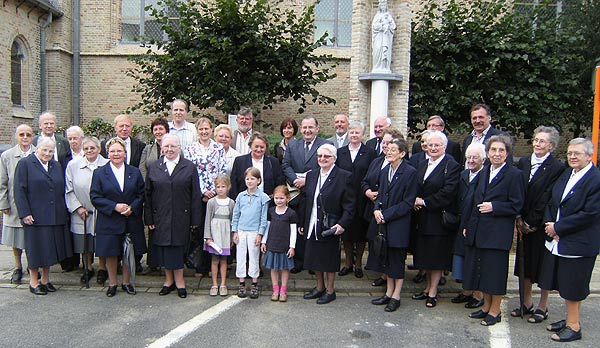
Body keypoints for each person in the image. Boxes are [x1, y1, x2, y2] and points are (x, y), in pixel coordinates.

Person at [539, 138, 600, 342]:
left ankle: (574, 326)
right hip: (559, 239)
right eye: (570, 153)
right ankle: (569, 320)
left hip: (579, 243)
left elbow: (590, 213)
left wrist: (559, 227)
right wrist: (549, 223)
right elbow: (552, 200)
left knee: (573, 286)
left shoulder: (595, 179)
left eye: (577, 153)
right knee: (564, 283)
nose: (572, 157)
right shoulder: (567, 173)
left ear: (589, 155)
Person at [463, 135, 524, 326]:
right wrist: (468, 226)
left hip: (498, 233)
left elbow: (517, 205)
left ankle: (495, 310)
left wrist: (495, 207)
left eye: (501, 150)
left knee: (495, 274)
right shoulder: (484, 171)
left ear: (507, 154)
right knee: (482, 271)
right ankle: (485, 307)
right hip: (479, 230)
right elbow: (474, 201)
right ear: (488, 153)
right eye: (493, 150)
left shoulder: (514, 174)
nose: (497, 154)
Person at [511, 126, 564, 322]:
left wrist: (531, 222)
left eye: (542, 141)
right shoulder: (524, 162)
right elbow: (516, 190)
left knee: (542, 267)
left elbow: (547, 197)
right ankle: (526, 303)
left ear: (551, 146)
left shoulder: (557, 167)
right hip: (521, 221)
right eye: (535, 139)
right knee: (524, 264)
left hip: (541, 225)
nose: (537, 144)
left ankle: (542, 306)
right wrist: (518, 218)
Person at [145, 134, 202, 299]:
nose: (170, 149)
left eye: (173, 146)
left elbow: (195, 196)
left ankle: (180, 281)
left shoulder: (189, 167)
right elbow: (147, 195)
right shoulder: (154, 167)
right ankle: (168, 281)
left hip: (181, 217)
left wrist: (195, 221)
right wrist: (149, 219)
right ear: (161, 148)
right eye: (166, 146)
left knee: (177, 249)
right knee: (164, 248)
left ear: (179, 148)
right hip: (160, 217)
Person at [14, 138, 72, 295]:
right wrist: (25, 213)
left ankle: (46, 280)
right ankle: (34, 283)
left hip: (54, 216)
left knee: (50, 250)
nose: (47, 153)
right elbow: (19, 191)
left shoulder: (56, 165)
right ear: (37, 148)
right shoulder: (25, 164)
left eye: (51, 151)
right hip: (35, 216)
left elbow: (60, 189)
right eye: (44, 150)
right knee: (36, 250)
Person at [91, 137, 147, 297]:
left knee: (127, 253)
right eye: (113, 151)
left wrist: (132, 207)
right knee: (111, 253)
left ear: (125, 153)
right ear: (107, 153)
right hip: (109, 220)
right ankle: (113, 283)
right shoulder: (100, 173)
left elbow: (141, 194)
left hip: (130, 219)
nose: (116, 154)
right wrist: (114, 206)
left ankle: (127, 282)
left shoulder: (134, 172)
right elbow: (95, 196)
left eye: (119, 151)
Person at [411, 130, 461, 308]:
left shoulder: (451, 165)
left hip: (438, 219)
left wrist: (424, 202)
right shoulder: (423, 164)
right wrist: (414, 200)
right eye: (430, 145)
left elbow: (448, 192)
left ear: (444, 147)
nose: (433, 148)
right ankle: (426, 288)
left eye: (437, 145)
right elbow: (416, 185)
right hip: (422, 218)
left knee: (436, 256)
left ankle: (433, 292)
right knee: (426, 255)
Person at [368, 138, 417, 312]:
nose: (388, 152)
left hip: (399, 223)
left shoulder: (410, 172)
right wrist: (376, 210)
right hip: (383, 223)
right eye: (387, 149)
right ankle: (388, 293)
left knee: (397, 260)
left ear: (402, 154)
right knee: (386, 259)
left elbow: (408, 202)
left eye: (393, 150)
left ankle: (396, 296)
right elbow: (380, 196)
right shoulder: (385, 171)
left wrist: (386, 215)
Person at [302, 144, 354, 305]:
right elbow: (307, 201)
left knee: (329, 260)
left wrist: (342, 224)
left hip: (331, 225)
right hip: (312, 223)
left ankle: (330, 291)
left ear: (334, 159)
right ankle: (319, 287)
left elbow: (350, 205)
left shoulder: (344, 176)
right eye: (320, 156)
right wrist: (303, 222)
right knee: (315, 257)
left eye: (326, 156)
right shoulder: (312, 175)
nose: (322, 159)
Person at [281, 116, 331, 273]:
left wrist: (307, 180)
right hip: (295, 192)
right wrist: (295, 179)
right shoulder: (293, 144)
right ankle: (298, 260)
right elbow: (286, 164)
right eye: (305, 127)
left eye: (311, 127)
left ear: (317, 128)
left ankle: (312, 263)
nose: (307, 130)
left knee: (312, 225)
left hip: (315, 191)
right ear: (300, 129)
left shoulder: (325, 145)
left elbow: (325, 165)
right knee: (297, 226)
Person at [184, 117, 227, 277]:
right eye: (201, 129)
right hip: (198, 196)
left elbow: (222, 170)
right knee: (200, 230)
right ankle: (199, 266)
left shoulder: (219, 148)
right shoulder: (190, 149)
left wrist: (214, 191)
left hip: (216, 196)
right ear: (197, 131)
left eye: (206, 129)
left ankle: (212, 265)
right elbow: (189, 172)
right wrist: (203, 191)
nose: (204, 132)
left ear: (211, 130)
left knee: (215, 230)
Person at [361, 128, 402, 287]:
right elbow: (365, 180)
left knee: (389, 244)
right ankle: (383, 274)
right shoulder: (377, 161)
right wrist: (368, 191)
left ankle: (388, 276)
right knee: (375, 241)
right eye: (383, 142)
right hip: (373, 208)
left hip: (391, 211)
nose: (384, 145)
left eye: (388, 143)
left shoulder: (403, 166)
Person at [65, 136, 109, 284]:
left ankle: (103, 268)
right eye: (86, 148)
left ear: (99, 149)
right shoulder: (73, 165)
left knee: (102, 240)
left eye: (93, 148)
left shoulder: (107, 164)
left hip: (101, 211)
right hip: (82, 211)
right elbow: (68, 189)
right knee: (85, 243)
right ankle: (88, 267)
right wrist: (77, 207)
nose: (89, 151)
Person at [336, 121, 377, 278]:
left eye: (357, 133)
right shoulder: (340, 152)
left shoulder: (370, 152)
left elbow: (371, 174)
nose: (354, 135)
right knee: (346, 231)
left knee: (360, 232)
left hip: (362, 198)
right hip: (345, 197)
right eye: (351, 132)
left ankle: (359, 263)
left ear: (362, 135)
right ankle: (348, 263)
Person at [450, 143, 486, 309]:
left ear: (483, 160)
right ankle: (466, 291)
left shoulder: (485, 176)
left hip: (475, 223)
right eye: (469, 157)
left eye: (475, 158)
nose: (471, 160)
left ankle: (478, 294)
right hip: (461, 221)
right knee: (463, 257)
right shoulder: (464, 174)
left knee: (475, 259)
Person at [0, 125, 35, 284]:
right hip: (14, 204)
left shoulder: (39, 153)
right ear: (16, 136)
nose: (25, 137)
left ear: (33, 136)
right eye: (22, 134)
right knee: (16, 238)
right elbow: (2, 182)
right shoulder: (7, 156)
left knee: (31, 237)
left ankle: (32, 266)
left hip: (34, 203)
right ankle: (17, 266)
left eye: (28, 134)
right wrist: (3, 203)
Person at [231, 167, 270, 299]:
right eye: (247, 179)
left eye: (252, 179)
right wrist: (234, 231)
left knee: (254, 256)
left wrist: (260, 234)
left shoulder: (263, 197)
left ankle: (254, 283)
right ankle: (241, 283)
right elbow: (236, 215)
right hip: (241, 230)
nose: (249, 181)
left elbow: (263, 218)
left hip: (254, 231)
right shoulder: (241, 196)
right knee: (240, 256)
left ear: (258, 180)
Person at [261, 185, 298, 302]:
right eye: (276, 198)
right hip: (272, 244)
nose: (279, 201)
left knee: (285, 268)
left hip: (285, 246)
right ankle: (275, 290)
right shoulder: (271, 211)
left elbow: (293, 232)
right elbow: (267, 227)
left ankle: (283, 290)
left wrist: (292, 247)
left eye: (281, 198)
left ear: (288, 198)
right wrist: (264, 242)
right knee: (273, 268)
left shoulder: (291, 214)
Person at [204, 174, 235, 297]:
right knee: (214, 260)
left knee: (224, 260)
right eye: (218, 187)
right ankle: (214, 284)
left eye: (223, 186)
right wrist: (208, 236)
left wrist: (233, 236)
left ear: (228, 187)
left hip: (226, 234)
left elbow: (233, 220)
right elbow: (207, 219)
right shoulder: (211, 202)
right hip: (214, 234)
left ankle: (223, 284)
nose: (220, 189)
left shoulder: (231, 202)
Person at [230, 132, 283, 199]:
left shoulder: (273, 162)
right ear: (250, 145)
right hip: (245, 203)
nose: (259, 149)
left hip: (267, 202)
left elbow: (279, 184)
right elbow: (234, 185)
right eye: (256, 146)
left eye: (262, 147)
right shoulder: (239, 161)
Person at [371, 0, 396, 73]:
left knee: (385, 51)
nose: (383, 7)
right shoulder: (377, 16)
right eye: (382, 5)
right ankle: (377, 66)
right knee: (378, 49)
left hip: (386, 37)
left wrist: (388, 26)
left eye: (384, 5)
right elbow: (374, 26)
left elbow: (393, 26)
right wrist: (382, 26)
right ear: (379, 6)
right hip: (378, 37)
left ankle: (385, 67)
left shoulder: (389, 16)